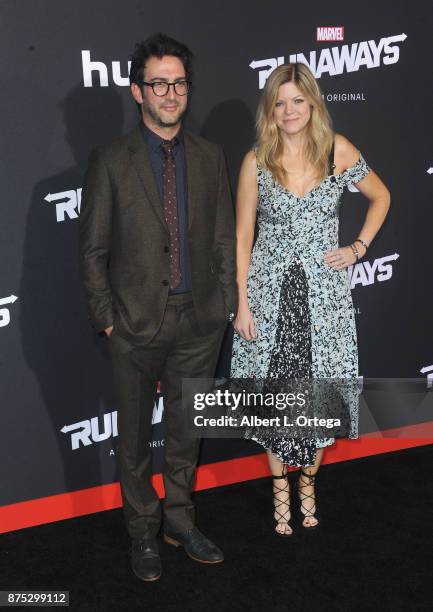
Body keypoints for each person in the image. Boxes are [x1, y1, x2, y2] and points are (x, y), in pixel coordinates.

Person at [79, 33, 237, 581]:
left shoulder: (210, 155)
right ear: (136, 91)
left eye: (178, 83)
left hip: (200, 322)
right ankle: (143, 531)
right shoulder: (109, 161)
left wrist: (225, 303)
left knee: (186, 433)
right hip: (133, 324)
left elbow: (222, 237)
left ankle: (179, 520)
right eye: (158, 84)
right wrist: (106, 318)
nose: (170, 94)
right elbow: (94, 248)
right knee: (132, 440)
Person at [231, 63, 390, 536]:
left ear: (313, 103)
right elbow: (242, 235)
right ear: (270, 110)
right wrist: (241, 302)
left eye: (298, 100)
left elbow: (381, 197)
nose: (289, 110)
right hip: (269, 295)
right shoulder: (255, 160)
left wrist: (357, 247)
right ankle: (281, 486)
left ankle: (309, 482)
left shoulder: (338, 151)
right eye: (279, 102)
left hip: (325, 300)